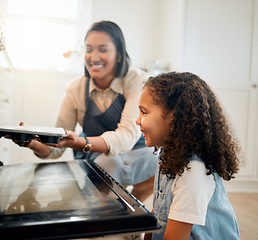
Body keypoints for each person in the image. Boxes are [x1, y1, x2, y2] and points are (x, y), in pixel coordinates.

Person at [15, 20, 158, 202]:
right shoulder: (75, 89)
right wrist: (33, 142)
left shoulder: (137, 81)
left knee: (159, 166)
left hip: (138, 152)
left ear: (119, 54)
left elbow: (126, 137)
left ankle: (132, 211)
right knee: (101, 184)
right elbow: (56, 147)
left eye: (103, 49)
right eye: (89, 49)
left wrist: (82, 142)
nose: (94, 57)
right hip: (98, 158)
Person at [137, 72, 240, 239]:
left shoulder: (192, 172)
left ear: (175, 117)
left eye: (144, 112)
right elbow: (158, 208)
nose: (137, 120)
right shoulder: (168, 153)